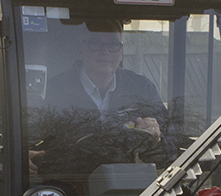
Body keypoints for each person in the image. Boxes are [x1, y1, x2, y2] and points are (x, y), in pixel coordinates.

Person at [30, 19, 172, 175]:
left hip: (129, 190)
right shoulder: (52, 91)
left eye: (113, 45)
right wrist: (25, 156)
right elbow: (25, 137)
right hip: (67, 186)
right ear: (81, 50)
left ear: (121, 52)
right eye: (96, 44)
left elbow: (172, 152)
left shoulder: (142, 89)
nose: (105, 52)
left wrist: (155, 142)